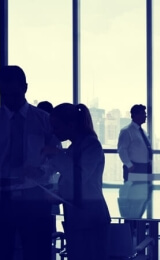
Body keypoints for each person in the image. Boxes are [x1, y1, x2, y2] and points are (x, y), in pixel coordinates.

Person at [0, 65, 58, 260]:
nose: (9, 99)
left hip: (35, 195)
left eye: (14, 94)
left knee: (38, 251)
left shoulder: (44, 121)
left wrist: (42, 171)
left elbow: (55, 157)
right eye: (4, 94)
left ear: (25, 88)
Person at [42, 103, 111, 260]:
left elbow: (79, 177)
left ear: (70, 125)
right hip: (79, 216)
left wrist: (57, 154)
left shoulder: (92, 145)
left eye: (57, 127)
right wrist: (59, 193)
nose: (54, 131)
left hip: (90, 217)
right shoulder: (75, 147)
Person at [117, 104, 152, 182]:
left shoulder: (144, 132)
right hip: (134, 167)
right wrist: (129, 165)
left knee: (145, 190)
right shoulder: (126, 131)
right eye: (143, 114)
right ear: (135, 115)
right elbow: (122, 150)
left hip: (145, 167)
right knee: (133, 192)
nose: (145, 116)